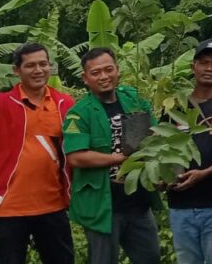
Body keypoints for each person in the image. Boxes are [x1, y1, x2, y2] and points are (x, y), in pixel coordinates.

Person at [0, 42, 77, 264]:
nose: (38, 70)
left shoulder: (64, 103)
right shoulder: (3, 103)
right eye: (30, 65)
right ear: (16, 71)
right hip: (9, 207)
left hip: (53, 205)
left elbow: (76, 148)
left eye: (43, 64)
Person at [62, 47, 161, 264]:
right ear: (85, 78)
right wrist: (116, 159)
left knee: (151, 257)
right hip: (103, 206)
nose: (104, 76)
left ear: (117, 70)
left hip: (138, 203)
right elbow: (76, 157)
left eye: (109, 69)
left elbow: (154, 136)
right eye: (96, 72)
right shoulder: (79, 113)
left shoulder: (134, 100)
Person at [165, 39, 212, 264]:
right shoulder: (175, 106)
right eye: (203, 62)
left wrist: (204, 173)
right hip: (180, 206)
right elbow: (161, 146)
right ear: (192, 66)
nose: (208, 68)